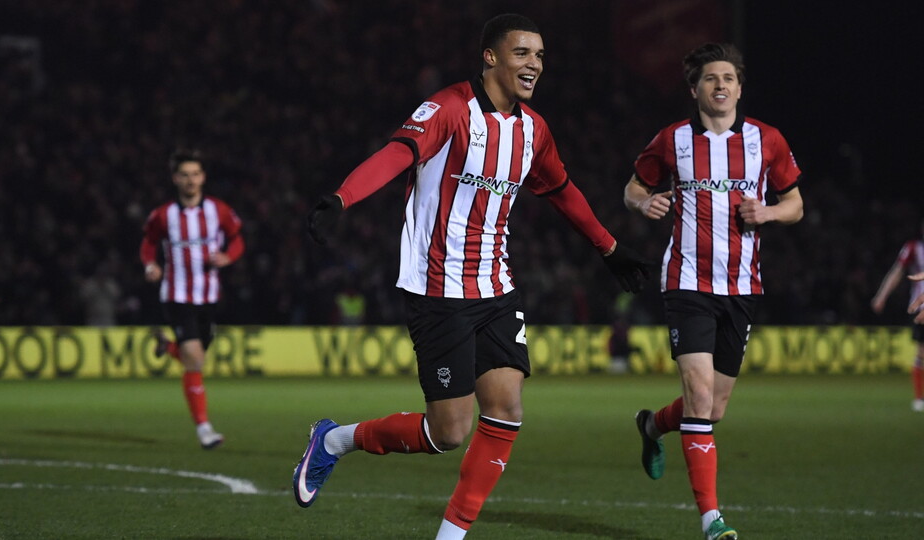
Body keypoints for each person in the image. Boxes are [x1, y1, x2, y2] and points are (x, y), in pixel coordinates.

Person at [295, 13, 651, 539]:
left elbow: (561, 190)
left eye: (540, 56)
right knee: (448, 432)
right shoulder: (449, 108)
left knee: (506, 408)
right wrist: (343, 197)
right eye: (523, 53)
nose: (534, 65)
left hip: (496, 287)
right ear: (491, 57)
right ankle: (333, 441)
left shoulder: (534, 129)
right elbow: (400, 153)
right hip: (438, 289)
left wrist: (610, 248)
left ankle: (450, 536)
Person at [624, 43, 804, 540]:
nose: (720, 85)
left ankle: (652, 426)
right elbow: (634, 188)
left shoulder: (767, 141)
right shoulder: (672, 139)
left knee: (713, 408)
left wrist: (766, 212)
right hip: (687, 283)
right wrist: (645, 206)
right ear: (695, 89)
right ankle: (711, 519)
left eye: (728, 78)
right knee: (700, 397)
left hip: (742, 287)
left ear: (740, 88)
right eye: (710, 79)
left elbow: (795, 204)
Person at [139, 149, 245, 449]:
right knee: (195, 361)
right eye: (184, 174)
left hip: (209, 296)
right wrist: (150, 265)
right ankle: (204, 429)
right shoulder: (163, 215)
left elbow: (237, 238)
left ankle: (166, 346)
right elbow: (148, 242)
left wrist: (227, 256)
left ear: (203, 177)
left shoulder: (218, 210)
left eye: (195, 174)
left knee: (196, 357)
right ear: (175, 179)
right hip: (176, 295)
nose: (190, 180)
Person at [871, 219, 924, 411]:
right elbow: (897, 272)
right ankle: (919, 398)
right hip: (921, 309)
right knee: (921, 353)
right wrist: (882, 295)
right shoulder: (913, 248)